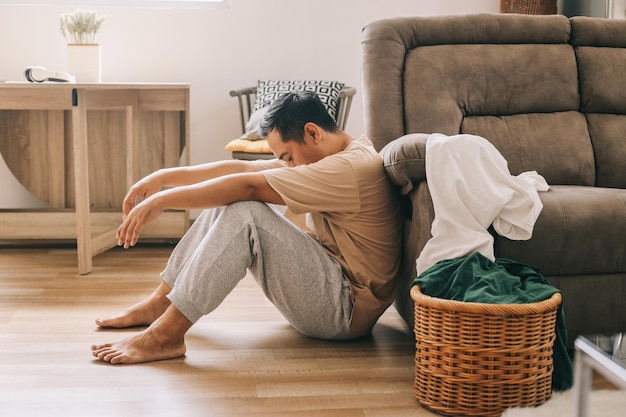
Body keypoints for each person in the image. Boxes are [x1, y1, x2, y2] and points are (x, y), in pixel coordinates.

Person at [91, 91, 402, 364]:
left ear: (312, 133)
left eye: (288, 157)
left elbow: (249, 187)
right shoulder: (334, 153)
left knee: (246, 210)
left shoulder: (349, 168)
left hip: (345, 310)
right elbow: (241, 168)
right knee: (234, 200)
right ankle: (162, 301)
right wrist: (161, 178)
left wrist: (160, 202)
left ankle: (166, 336)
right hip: (331, 285)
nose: (288, 165)